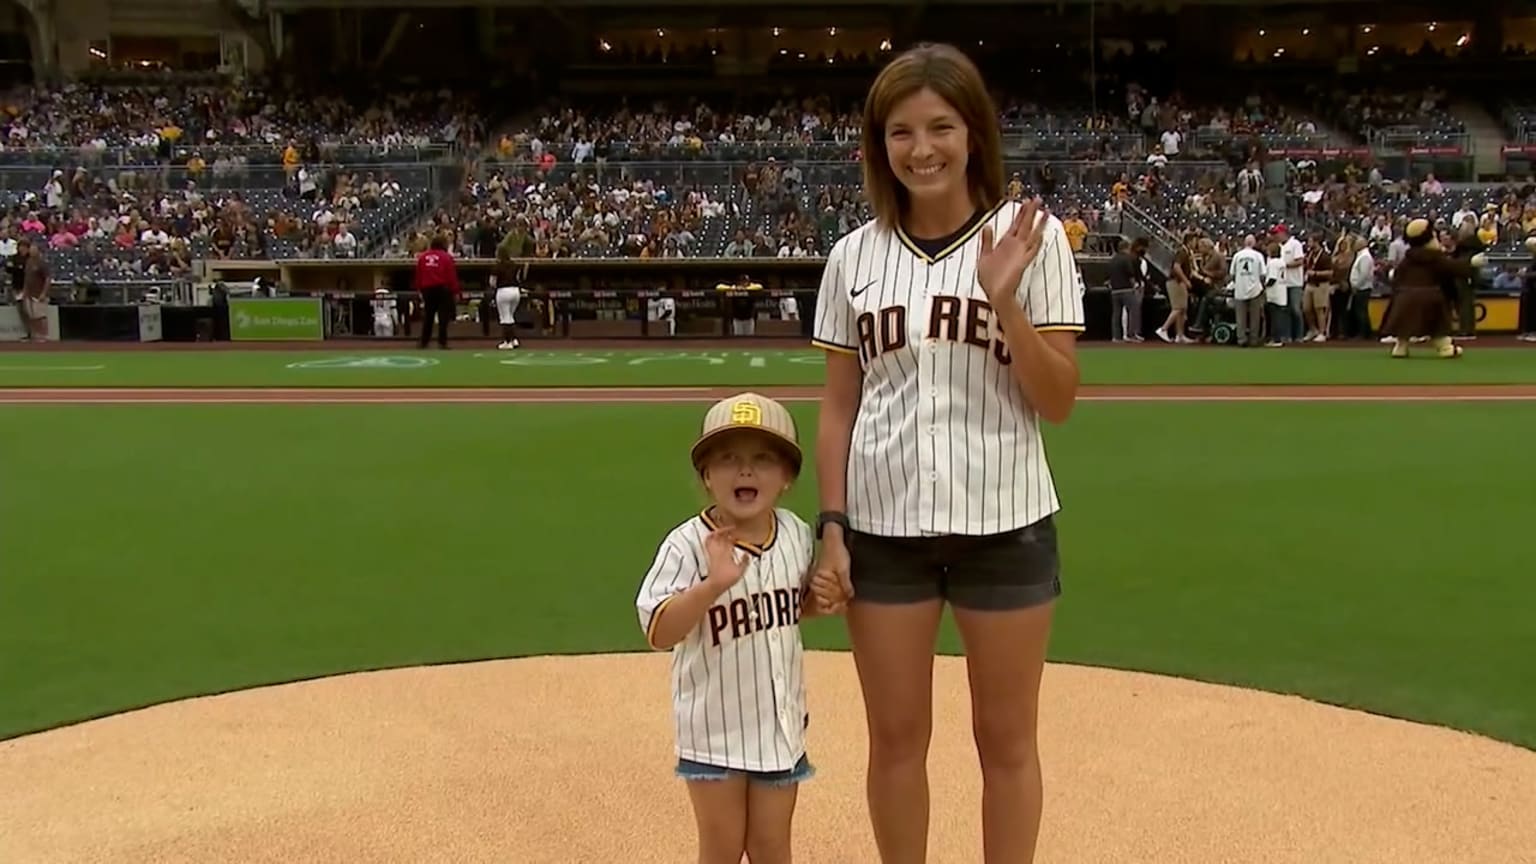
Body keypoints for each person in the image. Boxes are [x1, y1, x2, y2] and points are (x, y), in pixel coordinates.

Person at [807, 42, 1086, 864]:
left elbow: (1060, 400)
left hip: (1006, 521)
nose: (921, 149)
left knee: (1006, 743)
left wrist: (1003, 299)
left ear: (974, 135)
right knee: (895, 742)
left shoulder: (1031, 242)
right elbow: (837, 406)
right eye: (900, 132)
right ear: (878, 145)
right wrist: (832, 525)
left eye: (940, 127)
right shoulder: (853, 257)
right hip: (883, 529)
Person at [635, 392, 840, 864]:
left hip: (780, 724)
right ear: (706, 475)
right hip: (715, 730)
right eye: (727, 459)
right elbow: (658, 630)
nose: (745, 471)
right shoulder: (687, 545)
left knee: (772, 848)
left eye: (763, 460)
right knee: (723, 848)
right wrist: (712, 586)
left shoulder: (792, 533)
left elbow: (789, 605)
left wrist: (821, 599)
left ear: (787, 477)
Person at [1381, 218, 1482, 359]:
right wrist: (1470, 263)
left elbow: (1397, 276)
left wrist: (1398, 293)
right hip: (1430, 296)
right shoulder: (1434, 257)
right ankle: (1445, 348)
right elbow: (1451, 268)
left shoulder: (1407, 258)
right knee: (1437, 327)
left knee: (1405, 325)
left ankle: (1400, 347)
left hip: (1405, 296)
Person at [413, 234, 460, 349]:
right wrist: (455, 291)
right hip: (442, 289)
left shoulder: (423, 257)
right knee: (443, 317)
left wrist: (419, 289)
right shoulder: (446, 257)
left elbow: (418, 274)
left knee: (428, 316)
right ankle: (442, 342)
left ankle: (424, 342)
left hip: (427, 289)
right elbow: (451, 276)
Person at [491, 260, 528, 350]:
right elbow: (519, 278)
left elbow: (492, 282)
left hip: (503, 291)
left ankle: (507, 342)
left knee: (505, 317)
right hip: (515, 291)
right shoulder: (514, 265)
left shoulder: (497, 266)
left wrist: (495, 287)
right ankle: (514, 339)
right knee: (510, 316)